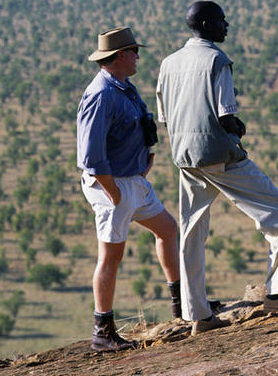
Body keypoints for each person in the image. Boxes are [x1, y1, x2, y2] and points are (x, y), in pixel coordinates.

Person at [156, 1, 278, 335]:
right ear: (208, 24)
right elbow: (226, 115)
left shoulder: (168, 63)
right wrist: (239, 129)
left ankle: (197, 314)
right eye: (222, 21)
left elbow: (165, 117)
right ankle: (276, 294)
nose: (227, 26)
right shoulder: (217, 61)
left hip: (184, 156)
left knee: (191, 233)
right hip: (219, 155)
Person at [77, 26, 181, 351]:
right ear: (120, 55)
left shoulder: (124, 87)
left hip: (133, 181)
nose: (138, 56)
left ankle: (182, 306)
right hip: (114, 185)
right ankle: (102, 331)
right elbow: (91, 157)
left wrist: (143, 162)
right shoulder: (102, 95)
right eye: (135, 51)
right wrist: (114, 193)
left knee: (167, 229)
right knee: (111, 257)